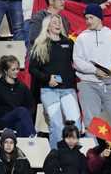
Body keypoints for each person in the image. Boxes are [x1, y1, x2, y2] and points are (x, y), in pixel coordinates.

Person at [73, 3, 111, 138]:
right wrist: (94, 70)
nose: (88, 21)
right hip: (88, 85)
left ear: (99, 18)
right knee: (90, 123)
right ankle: (92, 156)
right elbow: (77, 61)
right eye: (86, 18)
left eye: (91, 17)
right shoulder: (81, 38)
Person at [29, 14, 81, 149]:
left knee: (75, 123)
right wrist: (47, 78)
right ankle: (57, 156)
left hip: (68, 90)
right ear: (47, 26)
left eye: (59, 22)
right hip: (49, 91)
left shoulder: (69, 43)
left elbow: (77, 63)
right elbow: (32, 69)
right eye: (54, 22)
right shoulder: (40, 44)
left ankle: (75, 155)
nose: (58, 24)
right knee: (57, 125)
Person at [0, 55, 36, 137]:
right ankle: (33, 137)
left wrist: (26, 117)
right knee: (21, 110)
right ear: (5, 71)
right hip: (2, 121)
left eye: (17, 69)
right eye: (13, 69)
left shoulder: (22, 87)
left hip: (18, 120)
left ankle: (25, 146)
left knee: (20, 124)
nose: (16, 71)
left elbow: (31, 106)